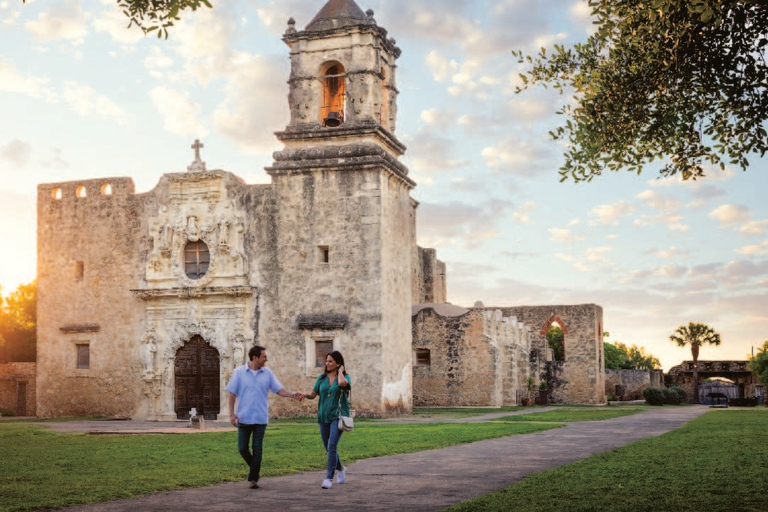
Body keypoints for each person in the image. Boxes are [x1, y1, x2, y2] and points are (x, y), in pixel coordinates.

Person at [226, 345, 303, 489]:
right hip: (243, 417)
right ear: (255, 358)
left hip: (260, 418)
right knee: (242, 448)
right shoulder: (239, 373)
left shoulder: (267, 373)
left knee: (257, 448)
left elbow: (279, 390)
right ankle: (255, 469)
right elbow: (232, 394)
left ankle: (253, 478)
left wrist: (293, 395)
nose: (266, 359)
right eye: (264, 357)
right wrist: (231, 414)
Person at [303, 350, 351, 489]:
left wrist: (341, 371)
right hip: (323, 416)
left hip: (338, 416)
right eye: (327, 361)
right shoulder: (321, 378)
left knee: (331, 446)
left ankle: (329, 478)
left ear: (338, 363)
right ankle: (341, 469)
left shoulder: (345, 377)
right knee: (328, 447)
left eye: (330, 361)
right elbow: (313, 394)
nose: (327, 363)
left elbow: (342, 384)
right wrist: (304, 395)